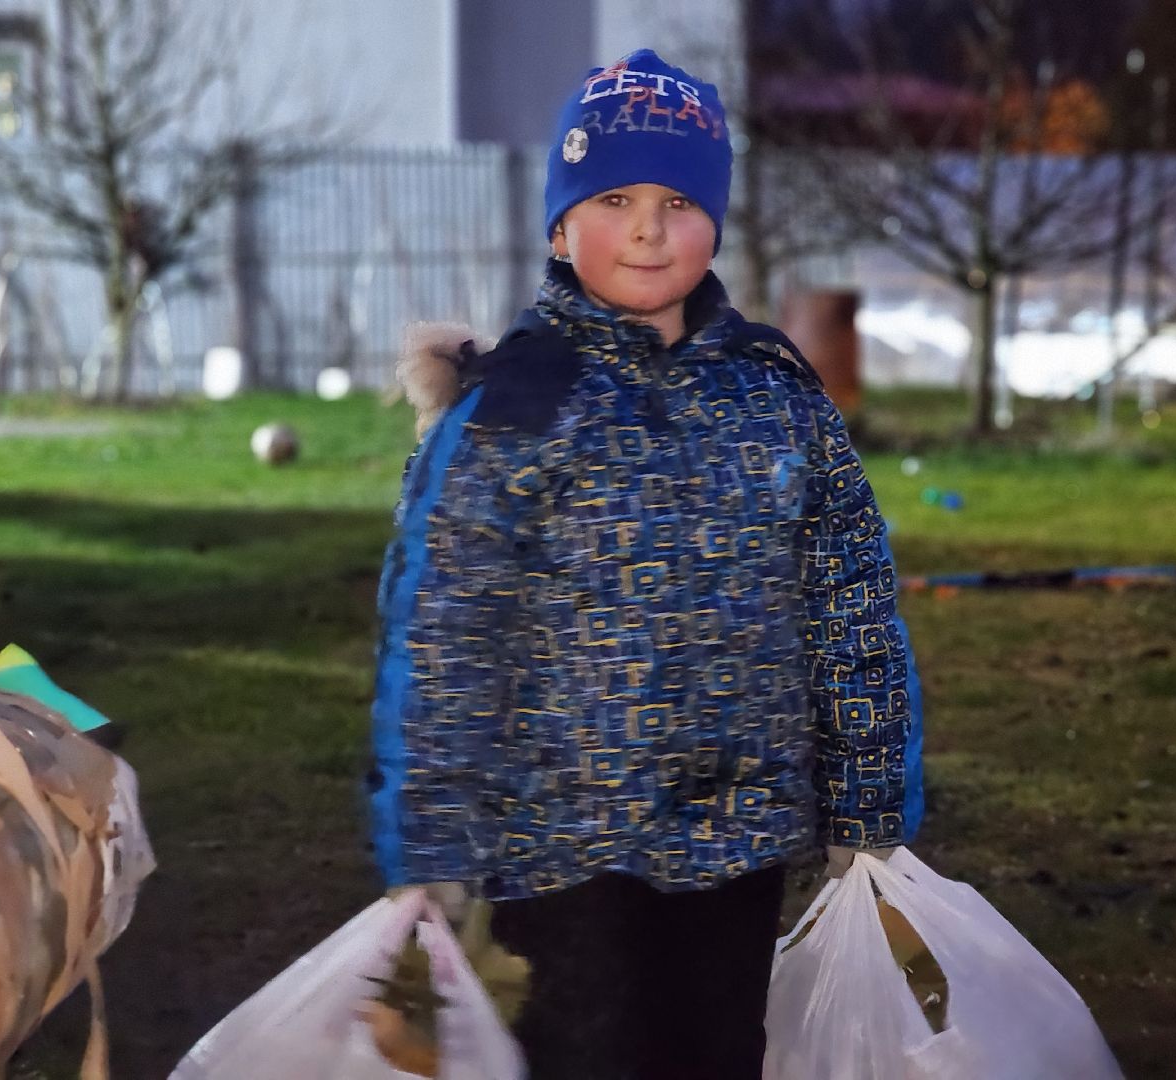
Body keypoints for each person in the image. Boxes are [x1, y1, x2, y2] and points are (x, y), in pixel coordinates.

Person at [367, 48, 925, 1080]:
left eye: (679, 202)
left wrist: (867, 809)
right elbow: (446, 636)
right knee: (587, 1056)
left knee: (717, 1055)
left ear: (716, 221)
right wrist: (434, 848)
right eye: (614, 199)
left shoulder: (777, 396)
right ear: (560, 226)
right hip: (559, 848)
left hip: (744, 836)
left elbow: (848, 607)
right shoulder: (511, 409)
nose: (648, 229)